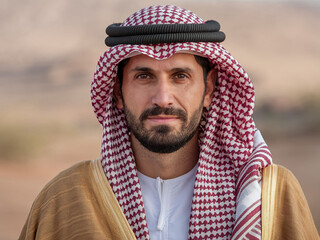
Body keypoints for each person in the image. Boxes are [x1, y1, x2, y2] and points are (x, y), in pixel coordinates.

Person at [19, 5, 318, 240]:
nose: (163, 98)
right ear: (117, 92)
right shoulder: (63, 199)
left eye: (180, 76)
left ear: (209, 89)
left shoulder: (270, 196)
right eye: (144, 76)